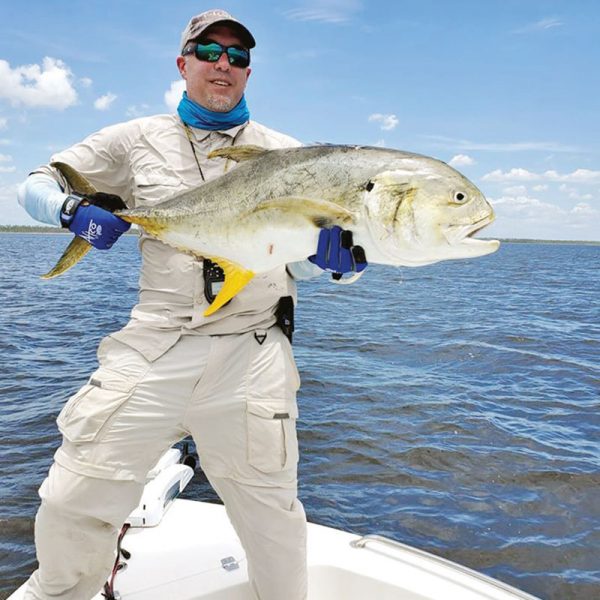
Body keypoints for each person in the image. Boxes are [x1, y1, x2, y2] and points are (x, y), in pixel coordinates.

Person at [16, 9, 367, 600]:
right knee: (74, 498)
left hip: (254, 350)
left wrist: (340, 268)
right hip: (157, 343)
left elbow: (306, 254)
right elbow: (36, 182)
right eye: (209, 52)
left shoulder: (290, 155)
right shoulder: (134, 140)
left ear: (250, 72)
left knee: (274, 522)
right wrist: (68, 211)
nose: (223, 64)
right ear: (184, 64)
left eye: (237, 56)